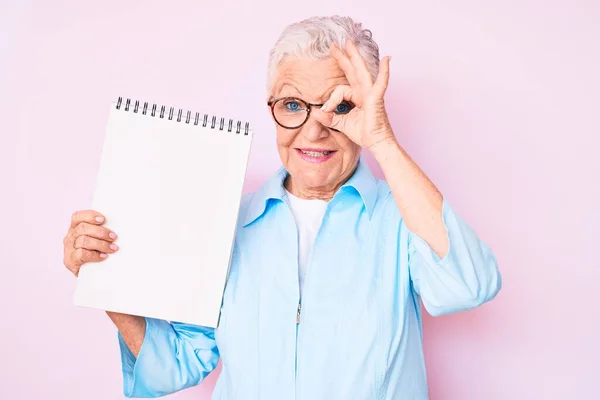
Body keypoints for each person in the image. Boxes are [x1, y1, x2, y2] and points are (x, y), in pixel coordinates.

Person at [62, 15, 501, 400]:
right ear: (272, 106)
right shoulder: (226, 221)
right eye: (293, 105)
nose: (313, 132)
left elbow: (468, 286)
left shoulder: (402, 215)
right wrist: (103, 280)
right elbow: (176, 363)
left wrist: (382, 139)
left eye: (340, 106)